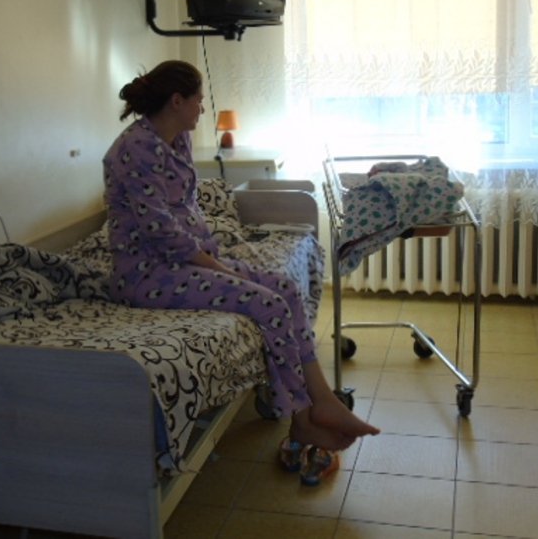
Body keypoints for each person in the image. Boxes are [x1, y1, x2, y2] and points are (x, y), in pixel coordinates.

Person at [102, 60, 380, 468]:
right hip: (148, 274)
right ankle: (303, 418)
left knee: (285, 289)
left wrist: (213, 255)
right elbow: (160, 229)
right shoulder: (134, 149)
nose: (202, 108)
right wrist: (216, 267)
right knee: (267, 303)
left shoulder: (176, 139)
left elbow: (188, 208)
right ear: (177, 101)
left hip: (189, 260)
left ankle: (322, 399)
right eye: (198, 100)